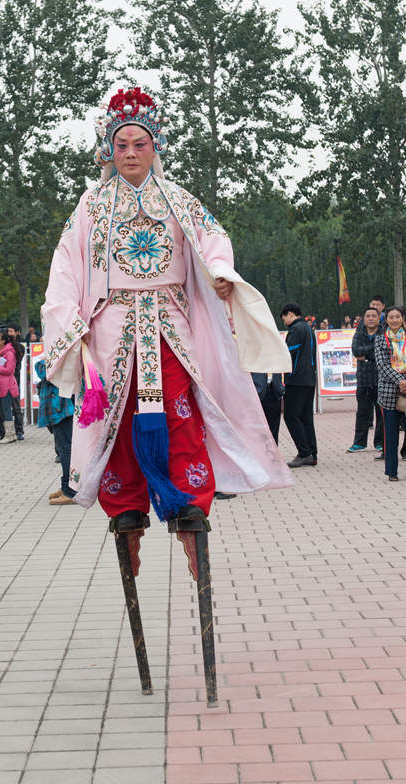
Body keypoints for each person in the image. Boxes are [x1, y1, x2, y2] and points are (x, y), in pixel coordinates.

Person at [41, 85, 291, 529]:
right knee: (118, 412)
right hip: (111, 324)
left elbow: (213, 239)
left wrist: (219, 272)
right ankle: (126, 503)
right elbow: (65, 265)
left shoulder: (179, 199)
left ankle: (189, 496)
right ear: (109, 149)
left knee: (177, 405)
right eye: (122, 145)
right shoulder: (91, 206)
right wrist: (69, 319)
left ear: (155, 147)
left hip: (168, 318)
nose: (131, 153)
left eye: (140, 145)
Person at [374, 305, 406, 481]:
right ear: (386, 320)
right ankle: (392, 471)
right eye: (391, 317)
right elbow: (382, 366)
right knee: (391, 434)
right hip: (389, 392)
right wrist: (399, 380)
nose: (394, 320)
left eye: (398, 317)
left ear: (403, 319)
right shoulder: (380, 340)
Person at [281, 302, 317, 468]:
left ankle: (304, 452)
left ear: (289, 314)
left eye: (283, 318)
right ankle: (312, 452)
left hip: (296, 379)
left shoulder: (295, 329)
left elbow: (289, 352)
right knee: (305, 417)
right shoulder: (308, 328)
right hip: (309, 379)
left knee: (291, 415)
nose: (284, 322)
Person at [35, 359, 76, 504]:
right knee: (63, 447)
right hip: (59, 407)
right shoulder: (61, 355)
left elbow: (42, 370)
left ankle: (71, 491)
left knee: (65, 449)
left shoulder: (60, 356)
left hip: (61, 407)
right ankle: (67, 486)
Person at [347, 306, 383, 453]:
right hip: (363, 379)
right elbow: (356, 350)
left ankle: (380, 442)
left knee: (381, 413)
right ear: (364, 318)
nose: (370, 318)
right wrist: (372, 353)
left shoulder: (383, 333)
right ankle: (359, 443)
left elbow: (383, 350)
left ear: (378, 318)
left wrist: (366, 356)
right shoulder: (359, 332)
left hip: (380, 379)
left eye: (374, 316)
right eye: (368, 316)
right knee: (362, 412)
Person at [252, 372, 284, 445]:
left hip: (275, 391)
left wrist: (281, 388)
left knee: (274, 430)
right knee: (258, 429)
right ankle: (260, 454)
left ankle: (273, 454)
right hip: (258, 392)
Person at [6, 325, 25, 440]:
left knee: (16, 406)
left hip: (15, 379)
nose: (9, 333)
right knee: (3, 406)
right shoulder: (3, 347)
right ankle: (3, 430)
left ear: (17, 332)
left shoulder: (20, 347)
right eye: (7, 331)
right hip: (3, 380)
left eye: (11, 331)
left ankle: (19, 430)